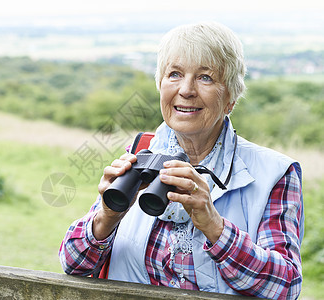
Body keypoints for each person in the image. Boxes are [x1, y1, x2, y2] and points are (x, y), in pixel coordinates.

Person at [59, 22, 304, 299]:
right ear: (160, 86)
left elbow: (286, 287)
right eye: (174, 74)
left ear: (231, 99)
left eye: (205, 78)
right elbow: (72, 263)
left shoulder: (276, 173)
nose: (186, 90)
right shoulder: (139, 155)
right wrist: (107, 216)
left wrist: (214, 226)